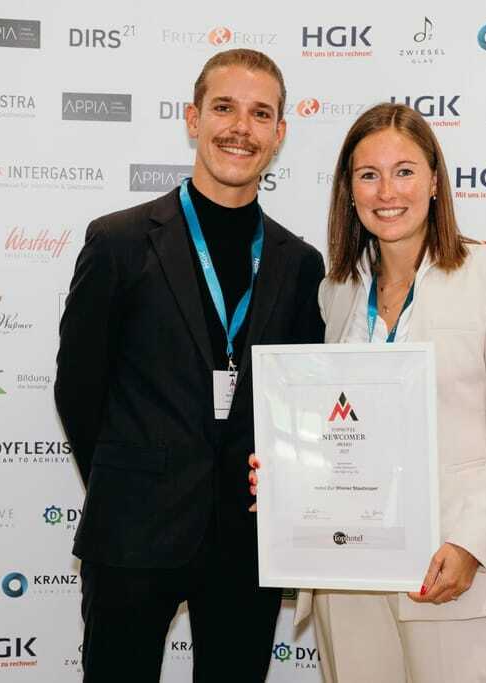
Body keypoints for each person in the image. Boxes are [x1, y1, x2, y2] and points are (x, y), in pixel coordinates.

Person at [249, 102, 486, 682]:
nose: (387, 191)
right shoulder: (337, 290)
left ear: (435, 180)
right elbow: (329, 424)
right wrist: (288, 471)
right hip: (347, 573)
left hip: (450, 569)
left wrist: (470, 545)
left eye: (404, 171)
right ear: (350, 191)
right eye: (369, 175)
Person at [55, 49, 325, 683]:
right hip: (132, 532)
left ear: (280, 133)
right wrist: (132, 477)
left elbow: (302, 406)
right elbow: (78, 390)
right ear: (193, 118)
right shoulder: (119, 242)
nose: (241, 128)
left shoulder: (299, 263)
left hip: (248, 542)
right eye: (224, 107)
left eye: (261, 114)